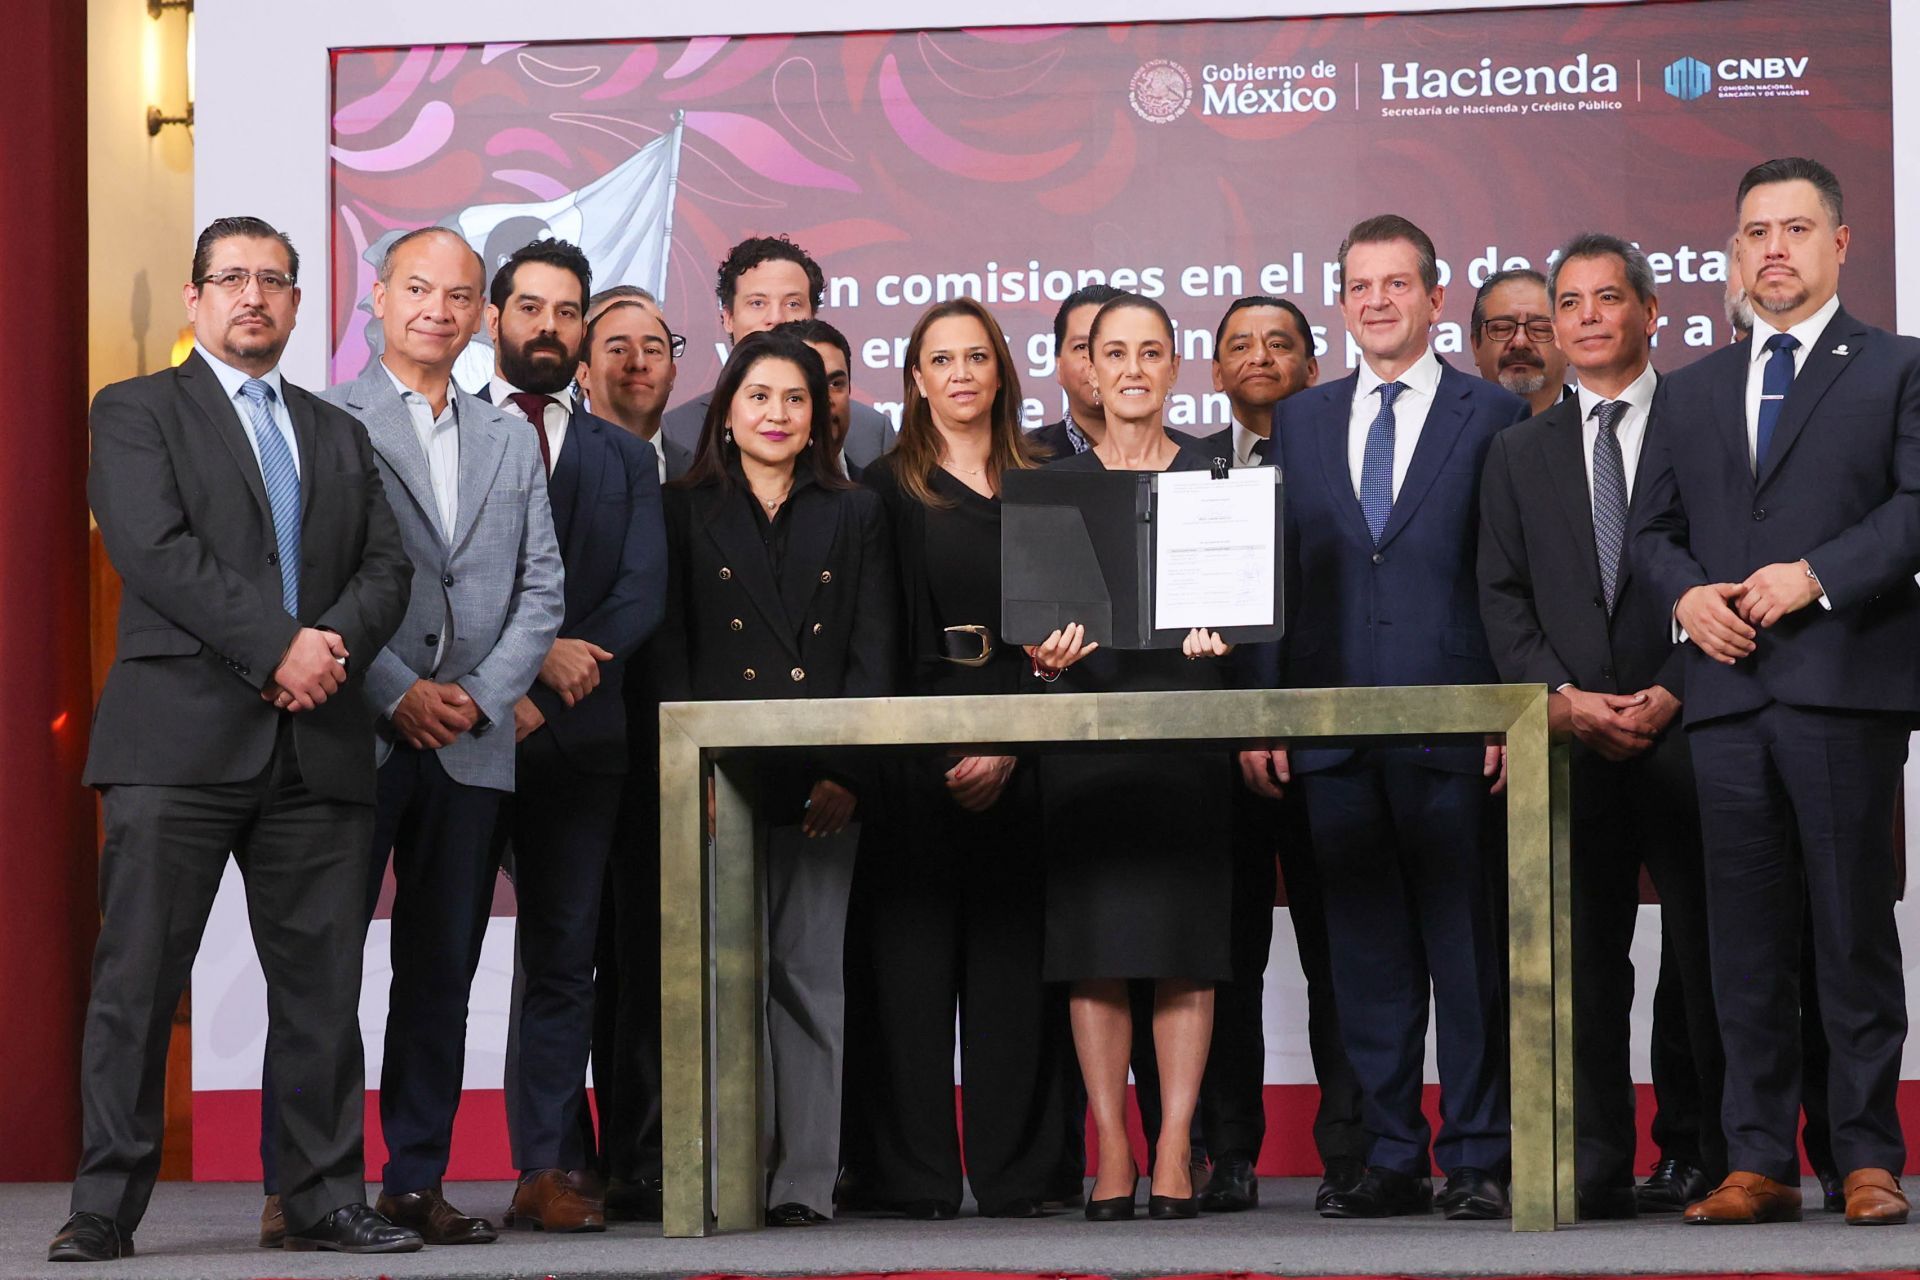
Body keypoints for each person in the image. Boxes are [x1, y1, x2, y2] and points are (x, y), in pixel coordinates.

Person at [52, 216, 417, 1263]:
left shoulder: (337, 431)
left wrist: (327, 649)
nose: (252, 295)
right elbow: (153, 549)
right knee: (137, 983)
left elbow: (387, 567)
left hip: (319, 748)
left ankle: (321, 1200)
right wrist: (278, 649)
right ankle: (103, 1208)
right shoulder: (135, 410)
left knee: (321, 992)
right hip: (175, 745)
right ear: (195, 296)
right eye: (231, 278)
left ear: (298, 302)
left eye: (273, 280)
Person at [1633, 156, 1920, 1228]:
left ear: (1839, 243)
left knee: (1849, 933)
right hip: (1725, 696)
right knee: (1740, 943)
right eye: (1756, 232)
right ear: (1735, 251)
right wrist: (1684, 597)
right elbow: (1653, 531)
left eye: (1796, 229)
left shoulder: (1897, 366)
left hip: (1843, 688)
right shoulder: (1692, 387)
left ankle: (1866, 1157)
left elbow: (1915, 506)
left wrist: (1817, 575)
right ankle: (1757, 1160)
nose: (1774, 250)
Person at [1242, 214, 1529, 1221]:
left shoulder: (1494, 413)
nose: (1377, 301)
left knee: (1469, 954)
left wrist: (1510, 711)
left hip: (1459, 726)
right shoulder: (1303, 419)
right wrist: (1269, 709)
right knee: (1366, 957)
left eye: (1396, 283)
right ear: (1342, 301)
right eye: (1360, 285)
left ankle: (1481, 1156)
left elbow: (1509, 573)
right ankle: (1391, 1156)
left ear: (1435, 297)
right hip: (1332, 727)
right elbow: (1275, 573)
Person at [317, 226, 565, 1246]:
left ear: (481, 317)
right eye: (418, 288)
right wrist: (396, 690)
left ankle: (413, 1180)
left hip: (471, 742)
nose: (438, 309)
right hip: (357, 733)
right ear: (378, 297)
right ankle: (309, 1184)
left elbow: (542, 588)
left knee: (441, 973)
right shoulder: (326, 421)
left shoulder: (508, 436)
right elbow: (312, 580)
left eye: (460, 295)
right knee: (322, 966)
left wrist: (475, 694)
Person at [1476, 233, 1723, 1219]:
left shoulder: (1705, 426)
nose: (1585, 318)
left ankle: (1701, 1148)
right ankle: (1593, 1157)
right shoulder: (1517, 450)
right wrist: (1561, 697)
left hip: (1690, 724)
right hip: (1570, 738)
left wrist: (1675, 685)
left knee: (1705, 952)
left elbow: (1731, 569)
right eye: (1568, 302)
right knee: (1579, 957)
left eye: (1606, 298)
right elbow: (1500, 594)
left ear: (1650, 311)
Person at [654, 328, 896, 1226]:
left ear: (820, 415)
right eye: (758, 396)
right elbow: (671, 654)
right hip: (717, 780)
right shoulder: (681, 509)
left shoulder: (856, 510)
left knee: (808, 978)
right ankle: (731, 1176)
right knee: (724, 981)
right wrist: (693, 779)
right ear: (726, 411)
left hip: (823, 784)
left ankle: (804, 1180)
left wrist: (847, 771)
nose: (777, 414)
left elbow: (874, 652)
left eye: (796, 398)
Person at [853, 297, 1064, 1220]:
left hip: (1029, 749)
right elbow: (874, 639)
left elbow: (1071, 633)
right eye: (942, 359)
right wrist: (945, 747)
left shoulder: (1048, 480)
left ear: (1002, 372)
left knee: (1015, 974)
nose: (962, 374)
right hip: (915, 759)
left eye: (977, 356)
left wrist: (1010, 739)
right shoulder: (879, 488)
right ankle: (913, 1179)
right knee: (908, 974)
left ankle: (1022, 1177)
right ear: (916, 379)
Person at [1031, 292, 1238, 1223]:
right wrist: (1042, 658)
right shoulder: (1050, 484)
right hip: (1086, 739)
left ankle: (1174, 1144)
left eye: (1150, 352)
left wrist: (1229, 637)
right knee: (1097, 951)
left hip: (1187, 736)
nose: (1131, 369)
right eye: (1114, 352)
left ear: (1174, 366)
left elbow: (1254, 612)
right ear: (1087, 367)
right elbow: (1032, 628)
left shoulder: (1218, 474)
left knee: (1185, 949)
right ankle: (1112, 1143)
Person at [1158, 295, 1365, 1215]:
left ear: (1312, 369)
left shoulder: (1345, 459)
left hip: (1331, 743)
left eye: (1280, 343)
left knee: (1340, 956)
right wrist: (1240, 719)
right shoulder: (1184, 468)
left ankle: (1352, 1151)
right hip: (1218, 754)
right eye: (1239, 344)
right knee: (1226, 960)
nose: (1259, 357)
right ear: (1214, 372)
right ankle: (1229, 1151)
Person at [480, 239, 669, 1231]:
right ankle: (409, 1169)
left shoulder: (623, 456)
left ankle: (547, 1167)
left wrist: (544, 691)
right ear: (495, 318)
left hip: (579, 743)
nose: (547, 326)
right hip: (456, 734)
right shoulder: (448, 429)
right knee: (439, 959)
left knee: (564, 962)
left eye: (565, 312)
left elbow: (639, 594)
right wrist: (507, 680)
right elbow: (420, 577)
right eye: (530, 307)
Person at [570, 283, 685, 1221]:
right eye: (617, 344)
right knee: (567, 960)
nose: (638, 360)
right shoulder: (550, 457)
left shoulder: (703, 467)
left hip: (672, 755)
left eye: (655, 344)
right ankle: (560, 1161)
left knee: (650, 963)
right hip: (565, 736)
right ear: (582, 364)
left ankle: (643, 1158)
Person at [662, 235, 894, 468]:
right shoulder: (677, 431)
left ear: (812, 316)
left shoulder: (871, 432)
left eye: (793, 304)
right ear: (728, 318)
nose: (776, 319)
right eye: (757, 303)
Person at [580, 285, 689, 483]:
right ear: (583, 371)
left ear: (672, 374)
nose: (639, 363)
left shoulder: (701, 475)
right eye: (619, 349)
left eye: (652, 349)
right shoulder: (545, 461)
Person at [1029, 283, 1126, 458]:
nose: (1095, 361)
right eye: (1081, 347)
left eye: (1113, 349)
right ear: (1058, 365)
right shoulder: (1025, 458)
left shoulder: (1179, 457)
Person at [1470, 269, 1571, 417]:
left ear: (1568, 346)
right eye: (1502, 328)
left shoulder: (1598, 427)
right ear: (1475, 346)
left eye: (1540, 328)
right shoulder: (1447, 427)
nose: (1520, 342)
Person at [778, 317, 864, 479]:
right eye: (809, 384)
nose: (825, 399)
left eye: (835, 384)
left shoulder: (875, 488)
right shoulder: (732, 491)